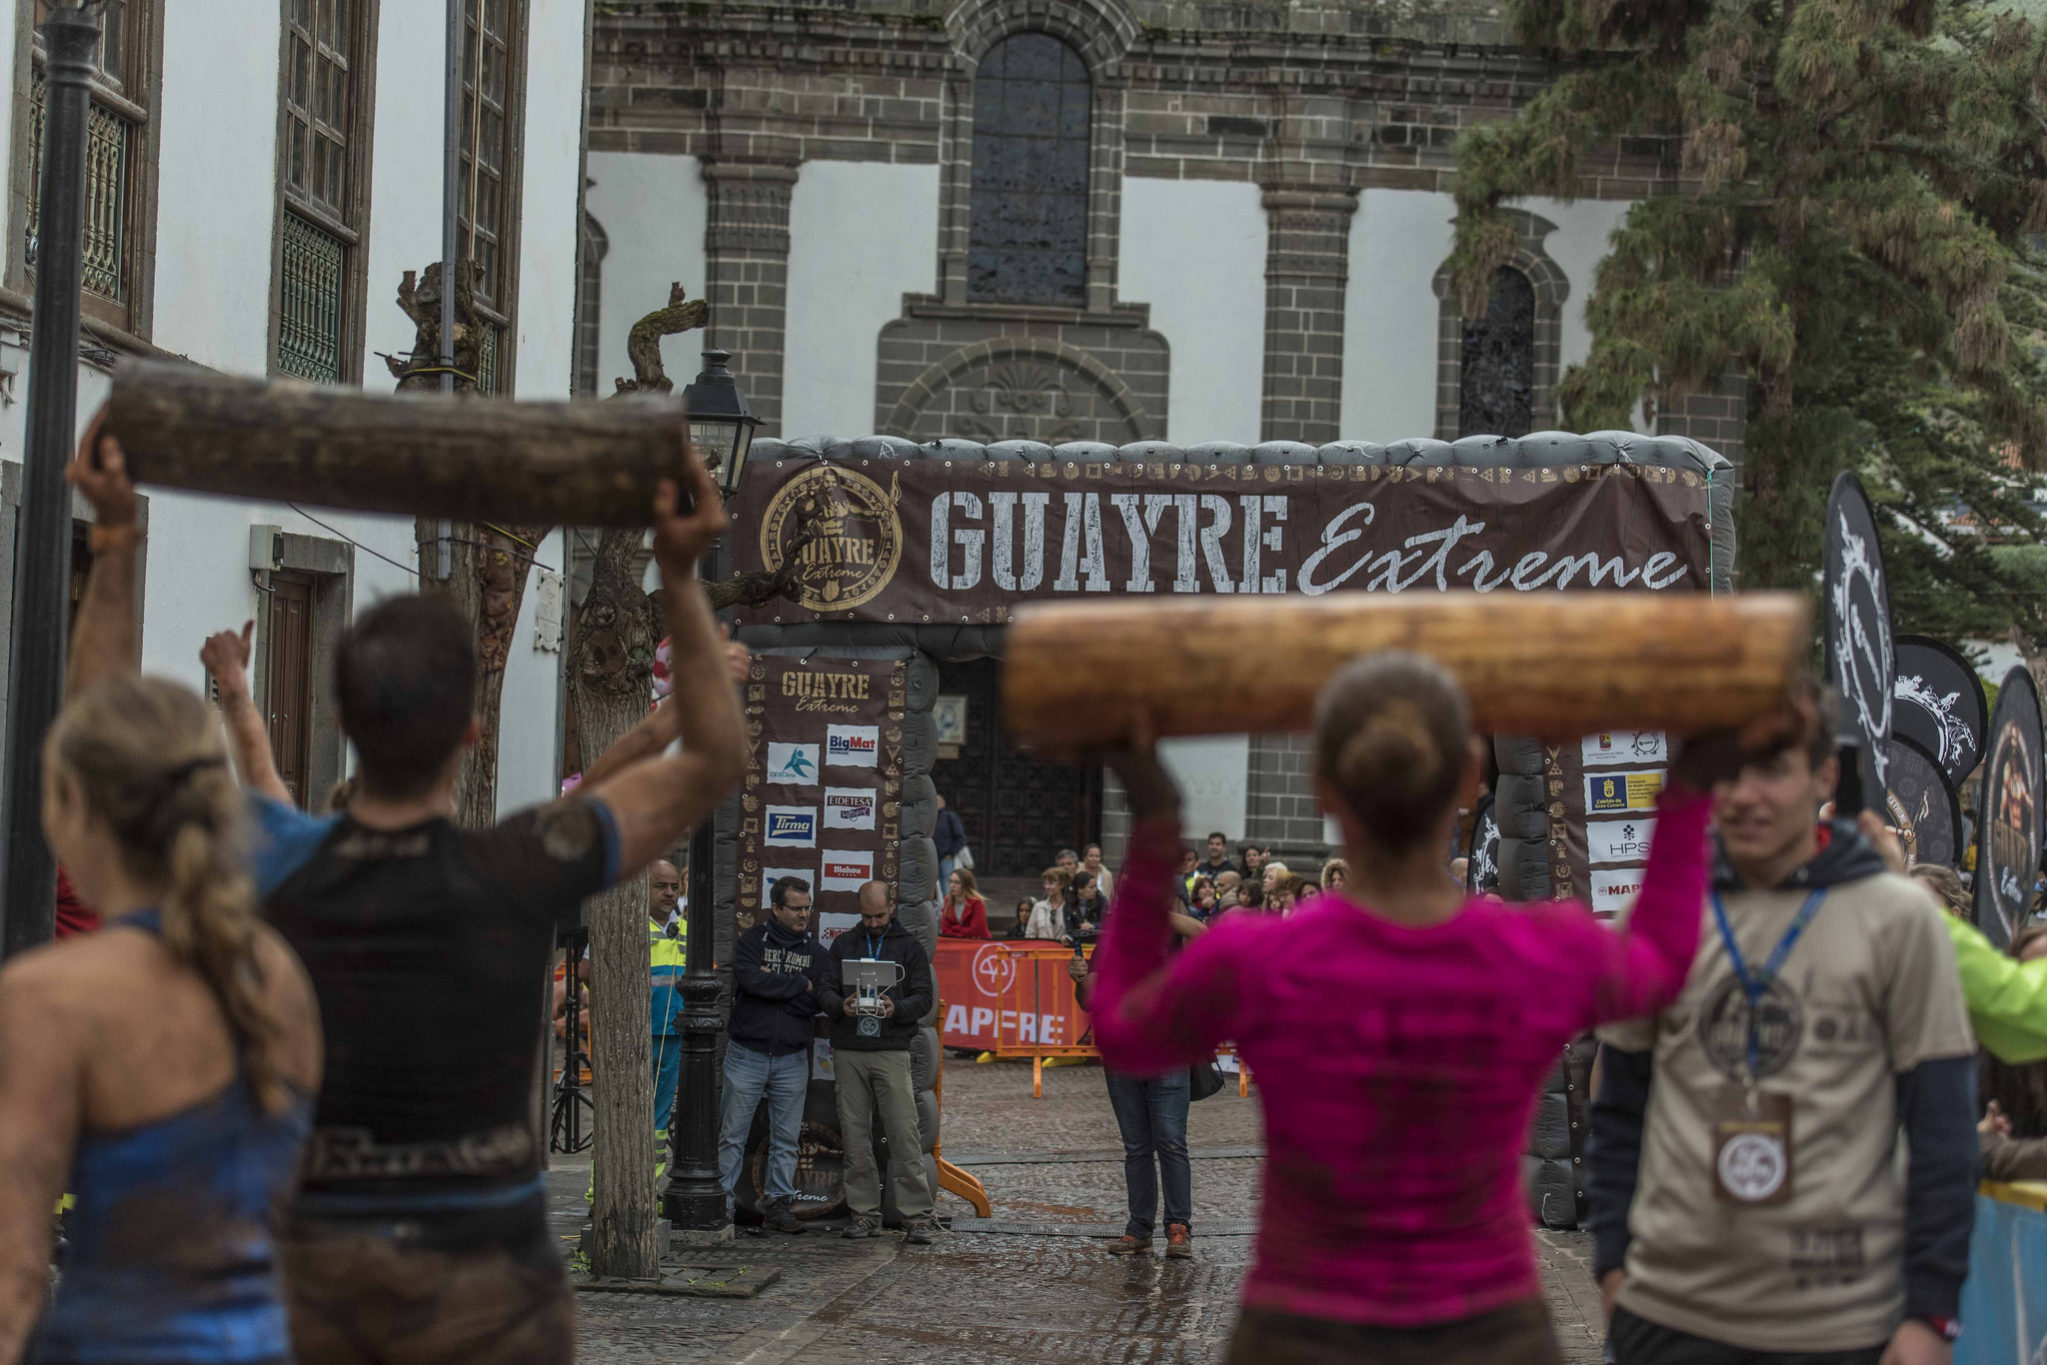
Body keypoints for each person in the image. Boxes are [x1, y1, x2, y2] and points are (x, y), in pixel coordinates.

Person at [196, 444, 747, 1361]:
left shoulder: (289, 864)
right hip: (487, 1301)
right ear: (470, 730)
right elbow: (711, 764)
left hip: (320, 1291)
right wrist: (681, 574)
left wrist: (241, 701)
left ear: (345, 722)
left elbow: (262, 786)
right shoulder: (513, 868)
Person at [1088, 650, 1750, 1365]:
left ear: (1320, 788)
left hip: (1303, 1324)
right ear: (1471, 776)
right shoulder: (1536, 949)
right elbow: (1661, 967)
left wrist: (1154, 826)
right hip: (1486, 1324)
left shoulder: (1258, 956)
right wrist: (1684, 796)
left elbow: (1124, 1030)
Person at [0, 424, 324, 1365]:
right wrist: (113, 539)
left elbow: (17, 1273)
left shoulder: (54, 1000)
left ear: (73, 809)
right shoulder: (273, 972)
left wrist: (117, 539)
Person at [1587, 683, 1978, 1365]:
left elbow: (1941, 1131)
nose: (1741, 795)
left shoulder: (1900, 921)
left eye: (1770, 769)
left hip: (1839, 1327)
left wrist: (1930, 1316)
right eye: (1726, 771)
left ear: (1823, 774)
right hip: (1668, 1317)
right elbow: (1618, 1111)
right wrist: (1612, 1270)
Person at [1071, 906, 1211, 1260]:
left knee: (1171, 1141)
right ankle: (1139, 1228)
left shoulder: (1176, 935)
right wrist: (1079, 981)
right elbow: (1090, 998)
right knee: (1136, 1147)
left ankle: (1179, 1226)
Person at [818, 881, 939, 1244]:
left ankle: (917, 1216)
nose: (873, 923)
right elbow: (823, 989)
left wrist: (896, 1008)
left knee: (904, 1134)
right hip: (850, 1049)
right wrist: (841, 1005)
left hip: (891, 1050)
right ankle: (864, 1214)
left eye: (880, 915)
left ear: (893, 906)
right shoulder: (843, 945)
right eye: (867, 916)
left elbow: (924, 997)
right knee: (855, 1136)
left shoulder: (909, 946)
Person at [722, 876, 824, 1233]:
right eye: (795, 908)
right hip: (746, 1053)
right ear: (776, 908)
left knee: (786, 1139)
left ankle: (779, 1205)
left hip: (792, 1057)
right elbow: (751, 982)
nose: (803, 914)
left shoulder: (816, 954)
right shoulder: (752, 942)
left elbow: (816, 1002)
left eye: (807, 907)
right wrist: (797, 984)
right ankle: (720, 1205)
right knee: (732, 1134)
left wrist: (775, 986)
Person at [647, 858, 688, 1180]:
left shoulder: (687, 930)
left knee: (659, 1120)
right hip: (635, 1037)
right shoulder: (628, 925)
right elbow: (589, 972)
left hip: (672, 1037)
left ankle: (649, 1187)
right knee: (622, 1116)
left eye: (674, 886)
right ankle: (601, 1190)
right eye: (661, 886)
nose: (669, 893)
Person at [933, 794, 967, 901]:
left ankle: (948, 907)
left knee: (948, 883)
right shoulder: (928, 817)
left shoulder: (949, 817)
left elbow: (961, 838)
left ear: (943, 803)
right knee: (933, 884)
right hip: (932, 857)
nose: (936, 803)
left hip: (946, 857)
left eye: (938, 801)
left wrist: (950, 853)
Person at [940, 868, 990, 939]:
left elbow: (976, 931)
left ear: (966, 885)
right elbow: (944, 930)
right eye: (950, 882)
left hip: (979, 942)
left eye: (957, 883)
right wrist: (961, 934)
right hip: (956, 943)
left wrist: (956, 928)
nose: (952, 886)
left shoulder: (977, 902)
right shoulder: (947, 900)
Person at [1027, 867, 1071, 941]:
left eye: (1051, 883)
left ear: (1062, 885)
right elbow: (1030, 934)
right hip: (1041, 951)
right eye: (1045, 883)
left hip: (1063, 951)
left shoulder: (1070, 907)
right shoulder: (1038, 907)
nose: (1047, 887)